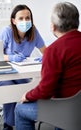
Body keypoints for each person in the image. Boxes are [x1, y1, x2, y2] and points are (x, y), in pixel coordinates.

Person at [15, 2, 81, 130]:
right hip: (76, 108)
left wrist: (27, 95)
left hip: (67, 111)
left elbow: (46, 91)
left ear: (53, 26)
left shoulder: (54, 50)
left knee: (20, 109)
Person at [0, 4, 46, 130]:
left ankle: (24, 119)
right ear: (14, 20)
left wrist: (47, 57)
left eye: (28, 18)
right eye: (21, 18)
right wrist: (11, 57)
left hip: (22, 71)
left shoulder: (33, 31)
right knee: (9, 87)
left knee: (31, 85)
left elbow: (45, 51)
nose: (25, 21)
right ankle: (8, 124)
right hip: (4, 74)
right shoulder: (7, 32)